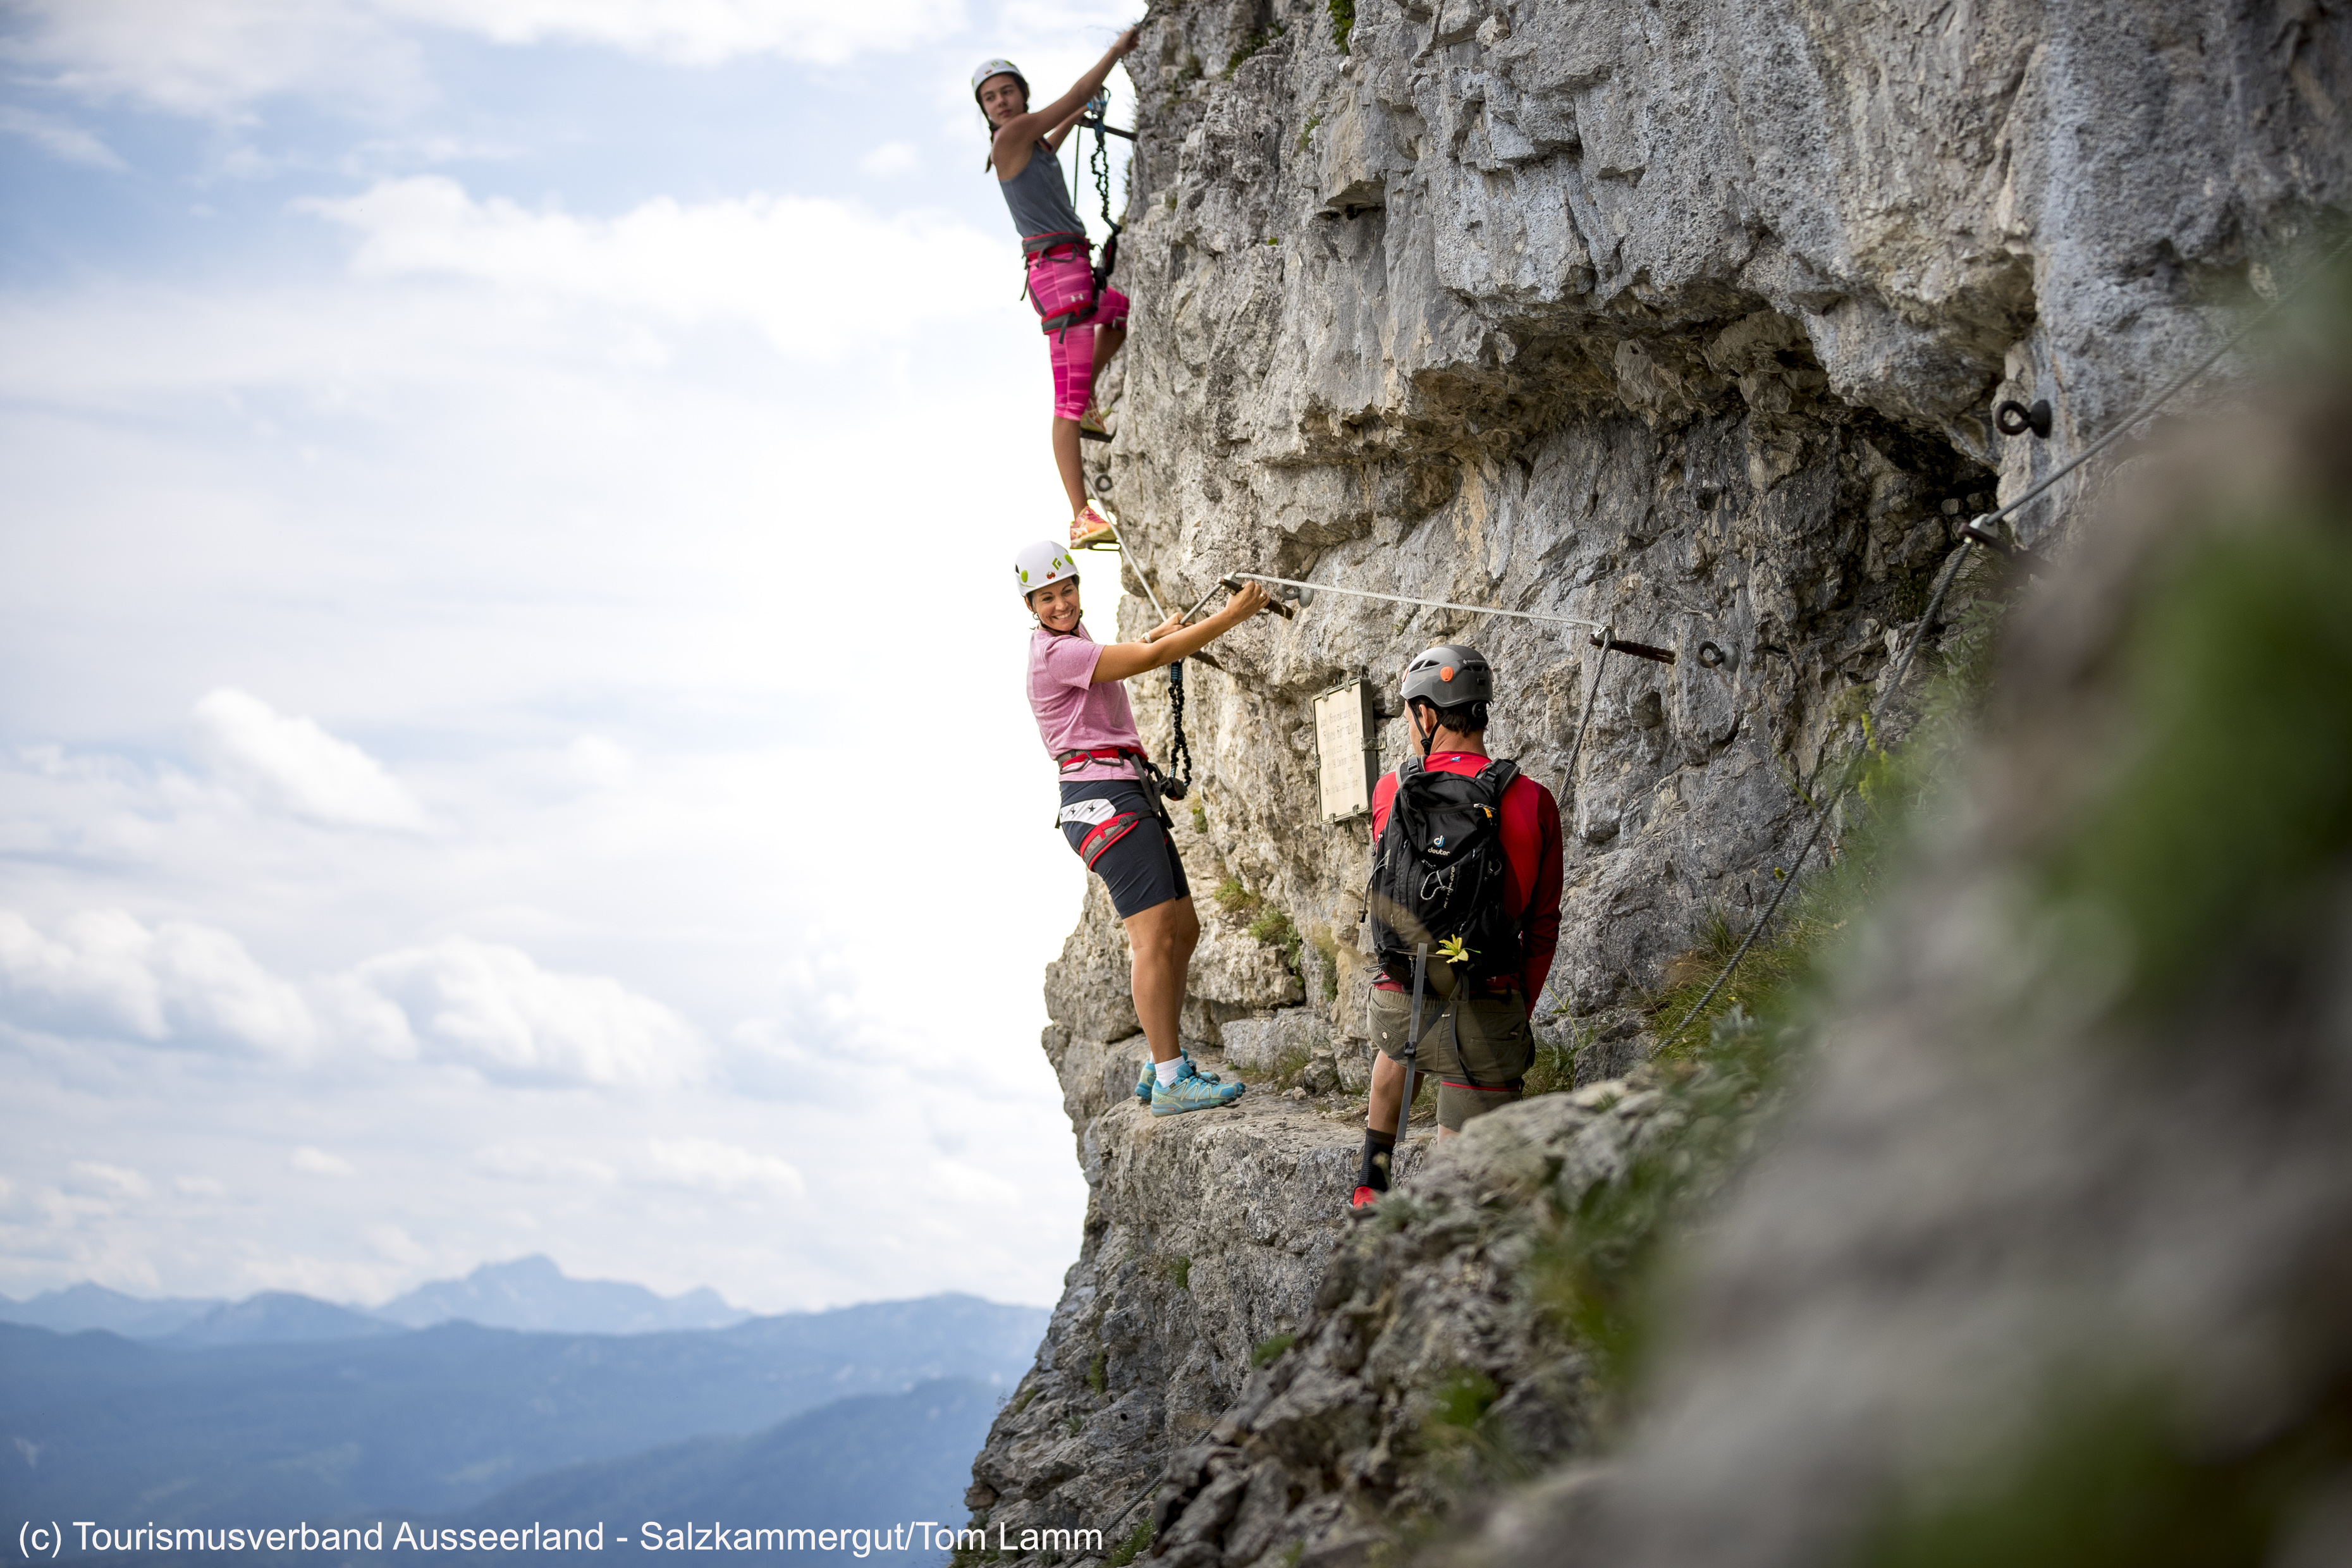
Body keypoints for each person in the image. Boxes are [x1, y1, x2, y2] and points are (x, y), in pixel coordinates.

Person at [1017, 539, 1271, 1114]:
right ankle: (1170, 1077)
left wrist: (1158, 634)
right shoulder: (1055, 653)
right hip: (1101, 798)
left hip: (1122, 791)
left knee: (1184, 928)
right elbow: (1144, 662)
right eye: (1047, 598)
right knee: (1154, 935)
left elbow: (1129, 654)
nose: (1060, 604)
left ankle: (1164, 1061)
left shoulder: (1074, 642)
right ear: (1030, 605)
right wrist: (1229, 617)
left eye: (1067, 590)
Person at [1353, 644, 1563, 1208]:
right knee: (1460, 1187)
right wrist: (1516, 1009)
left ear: (1427, 716)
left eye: (1407, 714)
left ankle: (1371, 1185)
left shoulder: (1390, 791)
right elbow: (1542, 929)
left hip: (1401, 1007)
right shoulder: (1533, 800)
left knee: (1398, 1043)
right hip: (1489, 1008)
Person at [974, 36, 1139, 548]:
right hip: (1056, 273)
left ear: (1021, 95)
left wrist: (1077, 118)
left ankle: (1088, 394)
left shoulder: (1031, 144)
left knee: (1118, 313)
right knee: (1065, 401)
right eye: (990, 97)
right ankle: (1081, 514)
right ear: (986, 111)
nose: (1000, 102)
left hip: (1069, 266)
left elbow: (1054, 137)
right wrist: (1117, 51)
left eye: (1007, 92)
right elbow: (1073, 95)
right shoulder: (1012, 136)